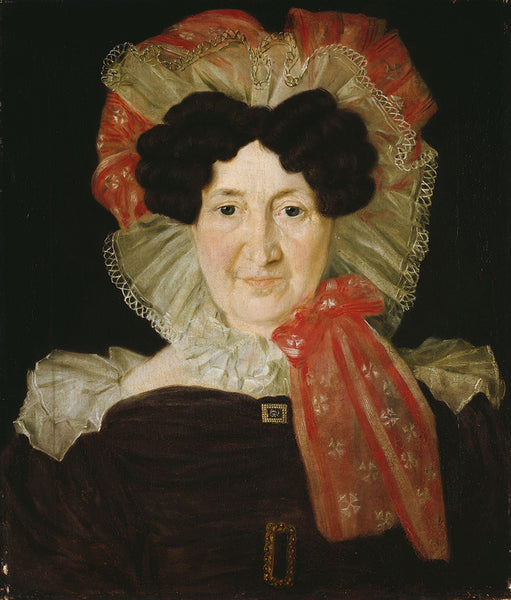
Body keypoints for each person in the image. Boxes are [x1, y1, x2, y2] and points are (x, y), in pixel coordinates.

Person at [1, 8, 508, 599]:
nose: (261, 249)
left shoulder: (441, 414)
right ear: (188, 225)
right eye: (228, 209)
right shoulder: (97, 430)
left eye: (291, 210)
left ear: (336, 224)